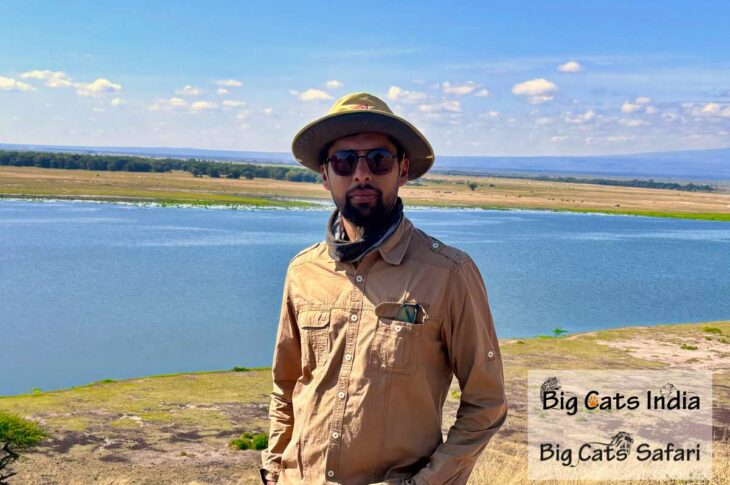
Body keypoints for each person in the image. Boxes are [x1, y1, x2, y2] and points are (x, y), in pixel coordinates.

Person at [260, 92, 508, 484]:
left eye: (378, 159)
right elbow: (287, 385)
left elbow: (486, 403)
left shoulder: (448, 274)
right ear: (325, 175)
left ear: (402, 170)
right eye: (344, 161)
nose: (361, 174)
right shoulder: (303, 271)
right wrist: (274, 469)